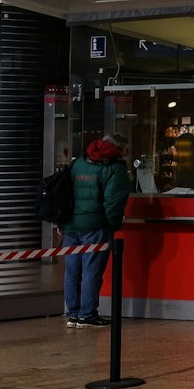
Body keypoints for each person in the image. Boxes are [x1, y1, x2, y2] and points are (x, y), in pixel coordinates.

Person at [63, 135, 130, 328]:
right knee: (91, 271)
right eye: (126, 148)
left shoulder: (80, 162)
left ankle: (73, 314)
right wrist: (112, 224)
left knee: (72, 272)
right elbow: (114, 202)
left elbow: (65, 191)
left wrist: (62, 220)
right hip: (94, 226)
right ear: (117, 148)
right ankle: (87, 315)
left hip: (70, 224)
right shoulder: (115, 168)